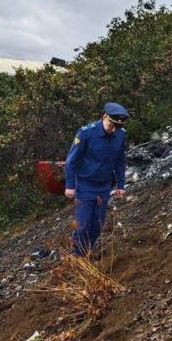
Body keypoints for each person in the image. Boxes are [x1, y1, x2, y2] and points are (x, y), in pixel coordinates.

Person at [64, 102, 129, 257]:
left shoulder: (120, 135)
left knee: (97, 226)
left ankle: (85, 250)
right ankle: (76, 257)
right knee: (82, 225)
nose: (113, 129)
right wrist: (70, 185)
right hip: (85, 185)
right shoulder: (86, 133)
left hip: (104, 187)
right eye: (111, 124)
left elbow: (120, 161)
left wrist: (121, 184)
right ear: (104, 116)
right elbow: (71, 160)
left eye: (117, 127)